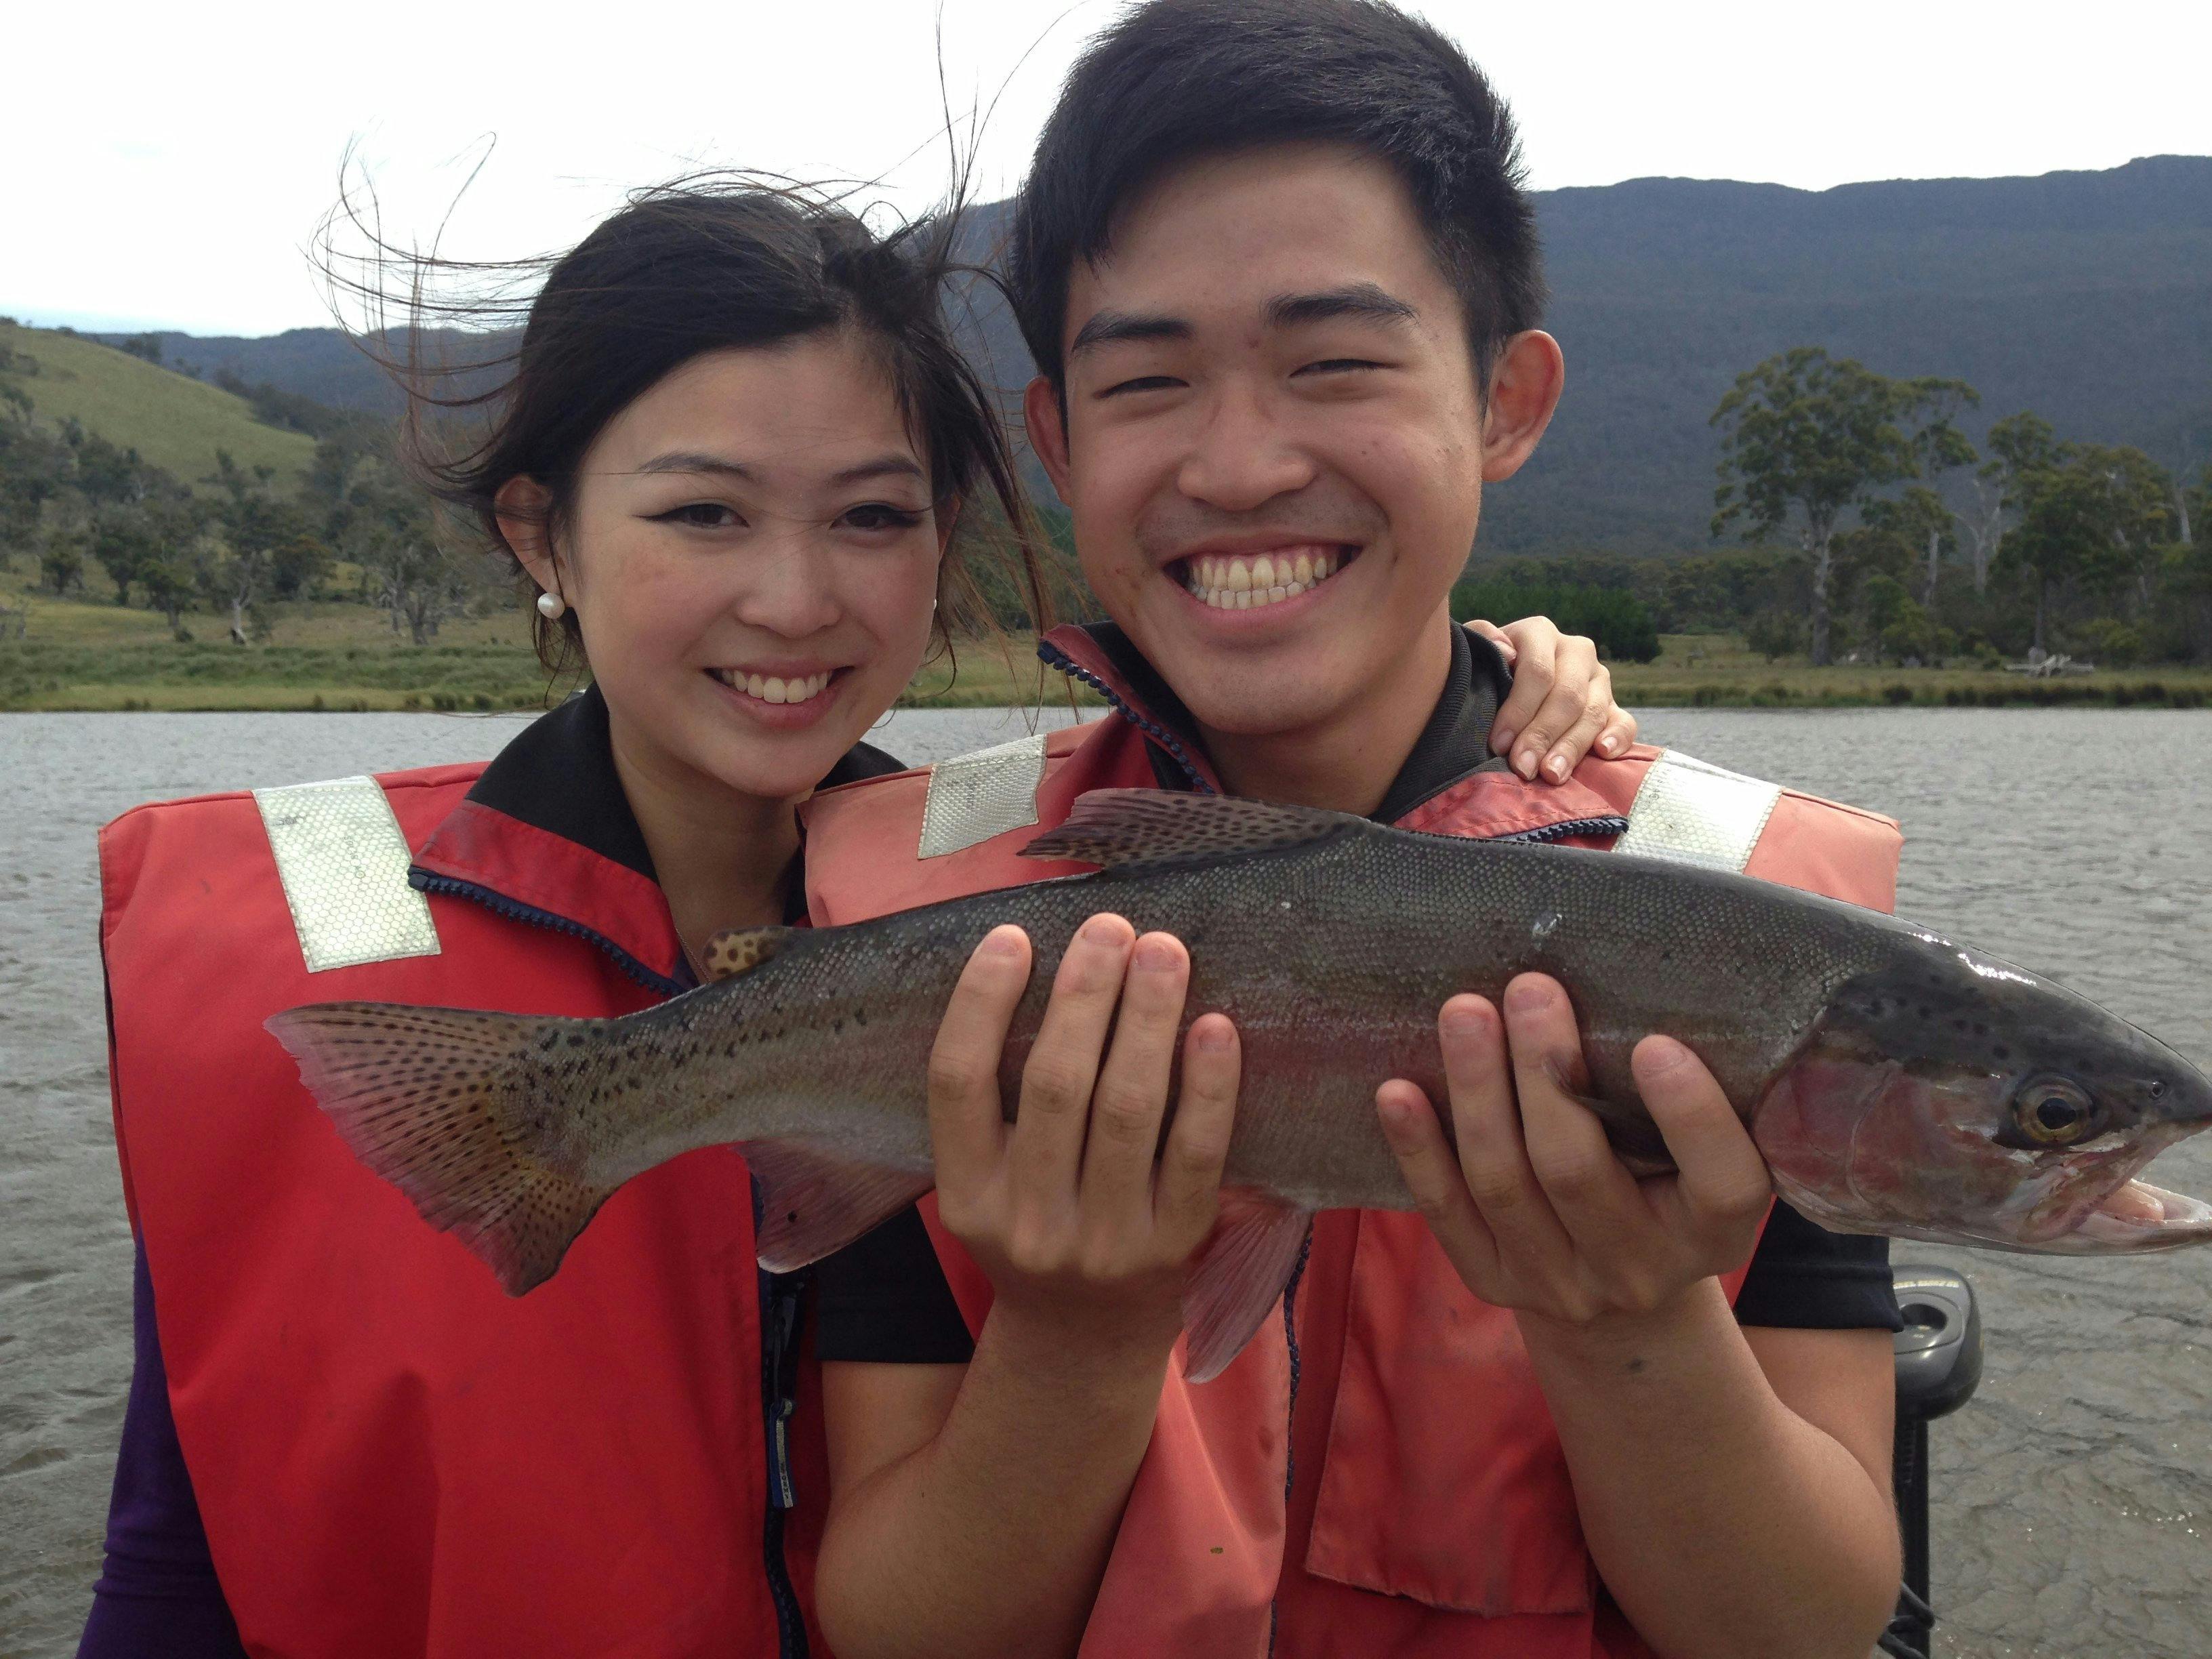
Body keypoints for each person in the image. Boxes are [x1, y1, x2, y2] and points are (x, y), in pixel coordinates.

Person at [79, 176, 1629, 1656]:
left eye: (874, 519)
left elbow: (1339, 815)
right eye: (705, 514)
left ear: (945, 536)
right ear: (542, 535)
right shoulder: (255, 962)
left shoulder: (1014, 902)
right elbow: (174, 1553)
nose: (797, 599)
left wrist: (1487, 677)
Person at [804, 5, 1908, 1658]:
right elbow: (895, 1632)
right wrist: (1078, 1335)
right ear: (1058, 444)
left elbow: (1800, 1632)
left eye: (1335, 364)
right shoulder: (897, 912)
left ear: (1506, 402)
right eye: (1148, 381)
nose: (1243, 464)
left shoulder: (1757, 933)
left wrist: (1633, 1320)